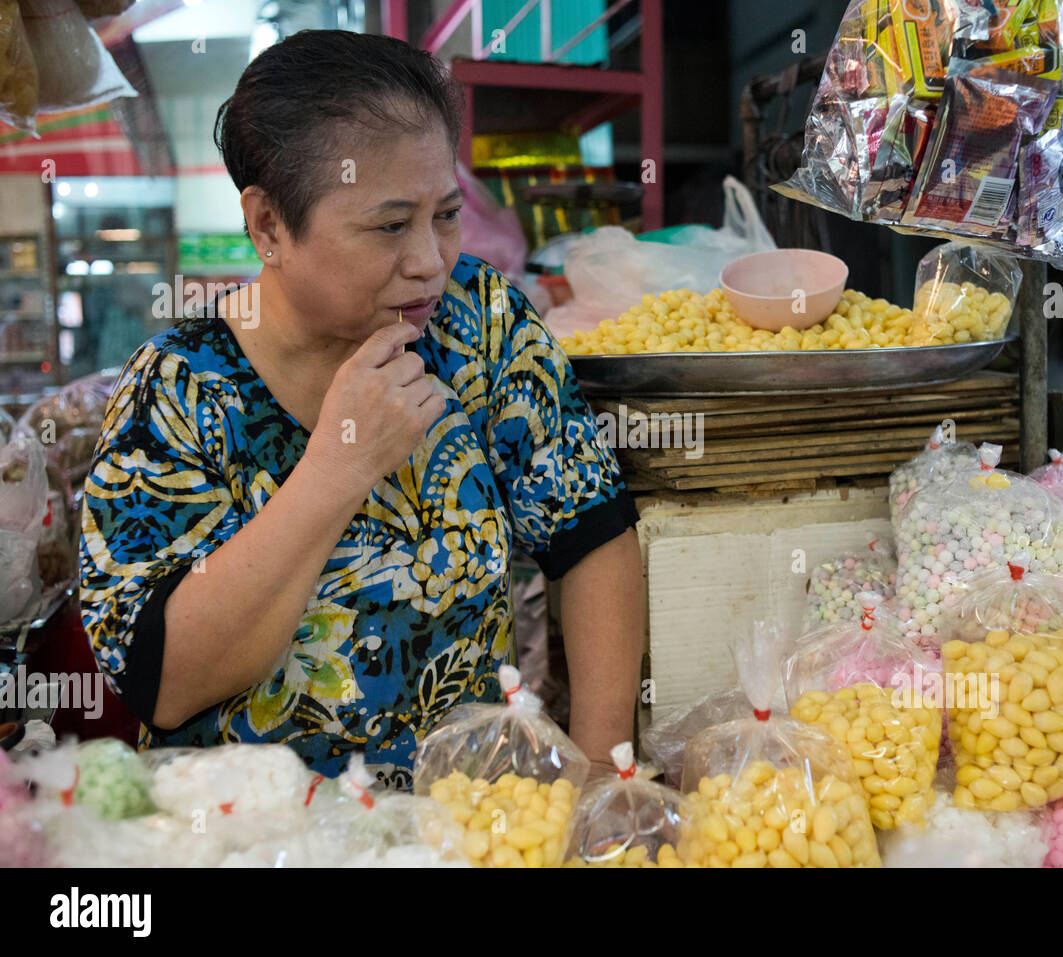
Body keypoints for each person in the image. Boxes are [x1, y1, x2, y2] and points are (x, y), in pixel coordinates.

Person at [78, 31, 644, 787]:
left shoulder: (477, 323)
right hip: (264, 838)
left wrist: (604, 777)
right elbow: (166, 681)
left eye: (445, 214)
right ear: (270, 226)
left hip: (470, 824)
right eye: (389, 225)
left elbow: (591, 531)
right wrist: (337, 469)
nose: (430, 261)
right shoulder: (179, 393)